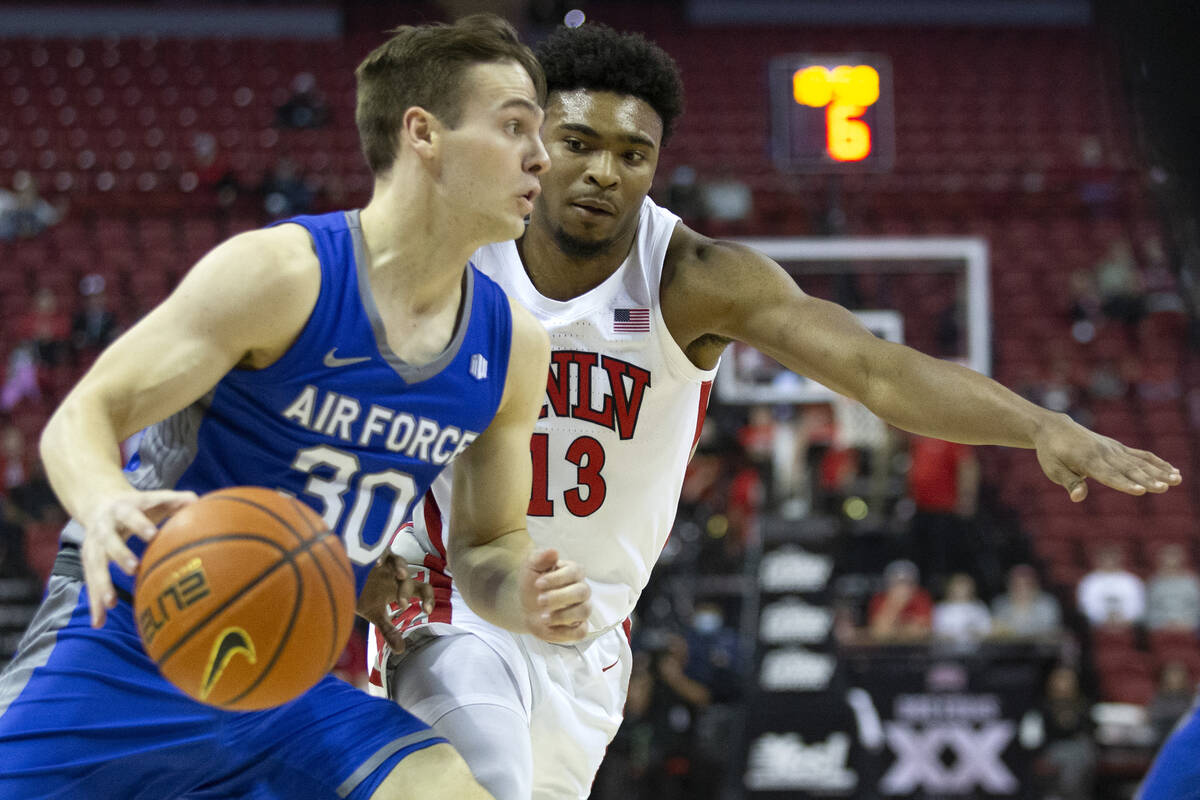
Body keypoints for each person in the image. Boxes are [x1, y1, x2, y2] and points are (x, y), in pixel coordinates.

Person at [371, 22, 1183, 800]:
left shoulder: (693, 277)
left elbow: (879, 370)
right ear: (534, 143)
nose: (603, 173)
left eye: (633, 154)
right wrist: (358, 548)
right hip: (453, 604)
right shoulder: (449, 253)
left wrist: (1040, 424)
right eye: (579, 143)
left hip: (590, 636)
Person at [0, 15, 592, 800]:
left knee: (448, 786)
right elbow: (85, 414)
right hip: (133, 637)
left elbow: (490, 542)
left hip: (282, 673)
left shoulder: (511, 345)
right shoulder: (281, 274)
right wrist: (106, 502)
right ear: (423, 133)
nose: (541, 157)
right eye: (514, 126)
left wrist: (523, 593)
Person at [1077, 543, 1146, 628]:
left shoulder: (1131, 580)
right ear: (1098, 560)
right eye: (1105, 558)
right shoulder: (1089, 581)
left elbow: (1137, 605)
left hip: (1128, 624)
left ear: (1119, 559)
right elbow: (1086, 605)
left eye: (1112, 558)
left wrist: (1126, 619)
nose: (1109, 561)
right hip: (1097, 625)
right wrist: (1104, 619)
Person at [867, 559, 934, 642]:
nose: (902, 587)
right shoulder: (879, 599)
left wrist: (895, 630)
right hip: (885, 650)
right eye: (897, 583)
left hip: (917, 650)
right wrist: (895, 603)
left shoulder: (921, 598)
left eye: (907, 583)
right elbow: (879, 633)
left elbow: (922, 631)